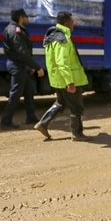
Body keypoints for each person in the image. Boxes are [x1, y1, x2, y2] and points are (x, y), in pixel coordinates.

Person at [34, 11, 91, 142]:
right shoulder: (62, 38)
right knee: (77, 107)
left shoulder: (53, 35)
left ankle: (43, 124)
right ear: (66, 23)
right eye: (72, 21)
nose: (73, 23)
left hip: (58, 79)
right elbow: (62, 62)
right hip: (67, 79)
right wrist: (69, 82)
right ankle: (77, 133)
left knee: (61, 102)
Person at [0, 8, 45, 130]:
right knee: (15, 94)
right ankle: (5, 121)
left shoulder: (12, 29)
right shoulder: (16, 31)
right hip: (17, 65)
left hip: (20, 65)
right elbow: (22, 52)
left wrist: (29, 66)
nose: (27, 19)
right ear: (21, 17)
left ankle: (31, 117)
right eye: (26, 17)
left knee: (29, 91)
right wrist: (37, 67)